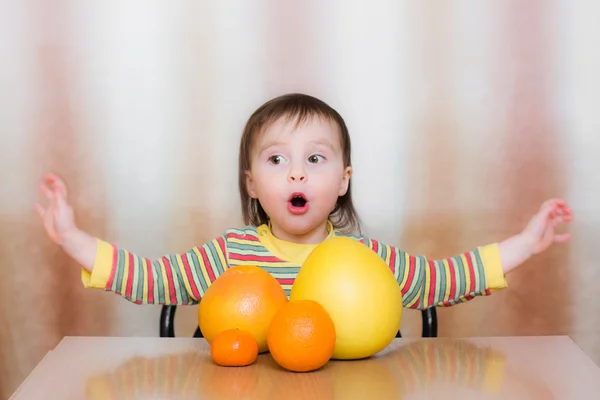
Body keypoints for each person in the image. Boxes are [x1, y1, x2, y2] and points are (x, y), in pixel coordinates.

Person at [35, 93, 573, 309]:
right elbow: (155, 278)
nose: (296, 171)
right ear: (250, 184)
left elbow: (442, 280)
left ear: (343, 180)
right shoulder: (229, 257)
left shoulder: (365, 260)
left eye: (315, 160)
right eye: (275, 161)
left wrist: (525, 243)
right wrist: (74, 239)